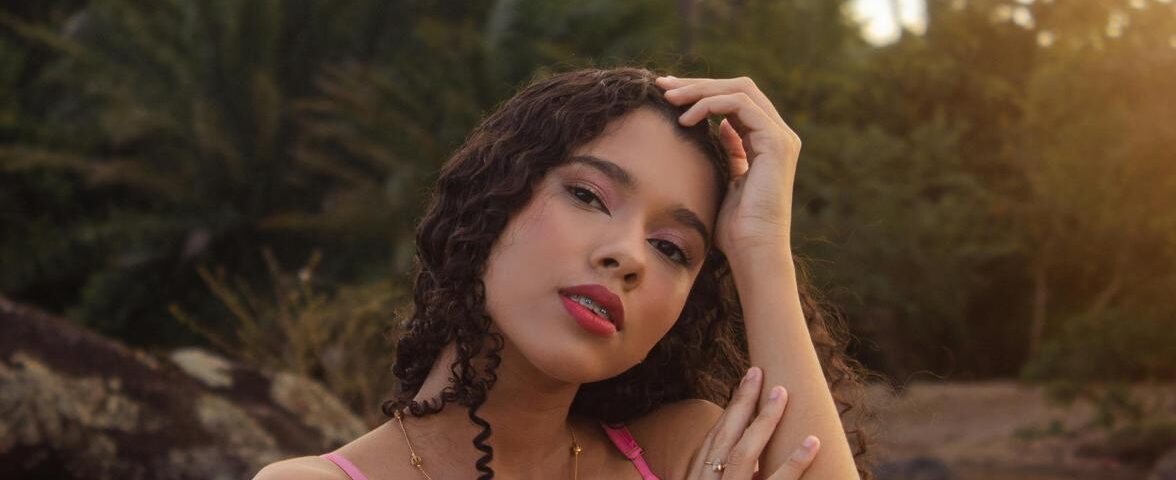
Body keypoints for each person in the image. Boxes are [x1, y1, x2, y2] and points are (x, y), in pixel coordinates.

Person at [255, 67, 869, 479]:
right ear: (494, 199)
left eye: (671, 248)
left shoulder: (685, 452)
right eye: (587, 196)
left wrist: (761, 247)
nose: (628, 256)